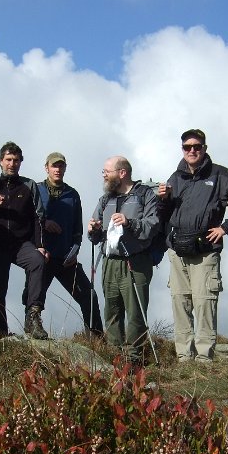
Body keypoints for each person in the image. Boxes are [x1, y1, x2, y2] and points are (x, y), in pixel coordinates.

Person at [157, 129, 228, 362]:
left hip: (206, 249)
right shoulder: (175, 177)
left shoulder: (221, 175)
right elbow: (164, 214)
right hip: (178, 250)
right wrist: (163, 200)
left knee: (204, 302)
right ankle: (184, 356)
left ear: (204, 148)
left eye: (197, 146)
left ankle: (204, 357)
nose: (192, 150)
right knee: (180, 301)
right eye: (187, 147)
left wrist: (226, 228)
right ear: (182, 149)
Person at [22, 152, 103, 337]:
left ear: (65, 168)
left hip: (66, 259)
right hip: (41, 257)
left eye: (61, 166)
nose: (58, 169)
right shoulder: (36, 190)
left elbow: (77, 230)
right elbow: (25, 221)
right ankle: (32, 331)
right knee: (33, 298)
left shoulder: (72, 195)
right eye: (54, 166)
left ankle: (96, 338)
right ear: (47, 168)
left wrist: (74, 251)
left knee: (89, 296)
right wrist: (44, 223)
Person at [88, 156, 159, 364]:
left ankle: (134, 357)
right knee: (111, 309)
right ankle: (115, 355)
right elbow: (95, 236)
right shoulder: (105, 199)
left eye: (106, 171)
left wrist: (130, 223)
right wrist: (93, 229)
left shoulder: (145, 194)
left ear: (122, 173)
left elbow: (152, 225)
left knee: (135, 311)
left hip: (136, 261)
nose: (103, 175)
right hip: (110, 261)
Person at [0, 141, 48, 339]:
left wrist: (40, 246)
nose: (12, 164)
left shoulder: (28, 185)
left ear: (20, 162)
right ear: (0, 161)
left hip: (21, 244)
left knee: (38, 261)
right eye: (8, 160)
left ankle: (33, 319)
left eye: (16, 160)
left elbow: (39, 217)